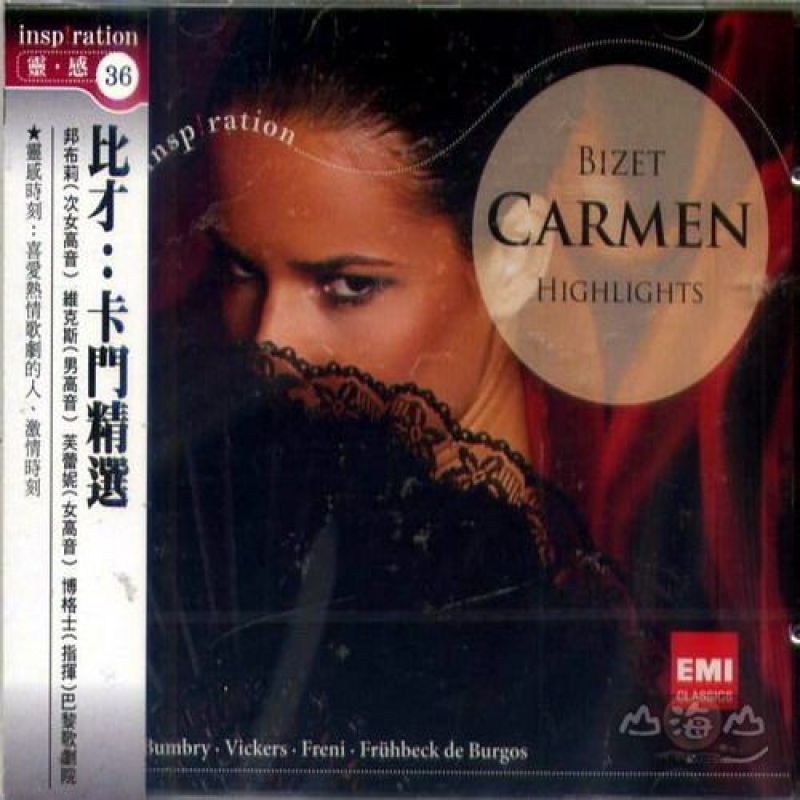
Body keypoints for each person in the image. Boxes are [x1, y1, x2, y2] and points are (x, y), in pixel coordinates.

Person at [147, 9, 792, 795]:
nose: (272, 343)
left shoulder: (657, 533)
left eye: (348, 286)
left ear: (513, 254)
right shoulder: (214, 512)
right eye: (241, 270)